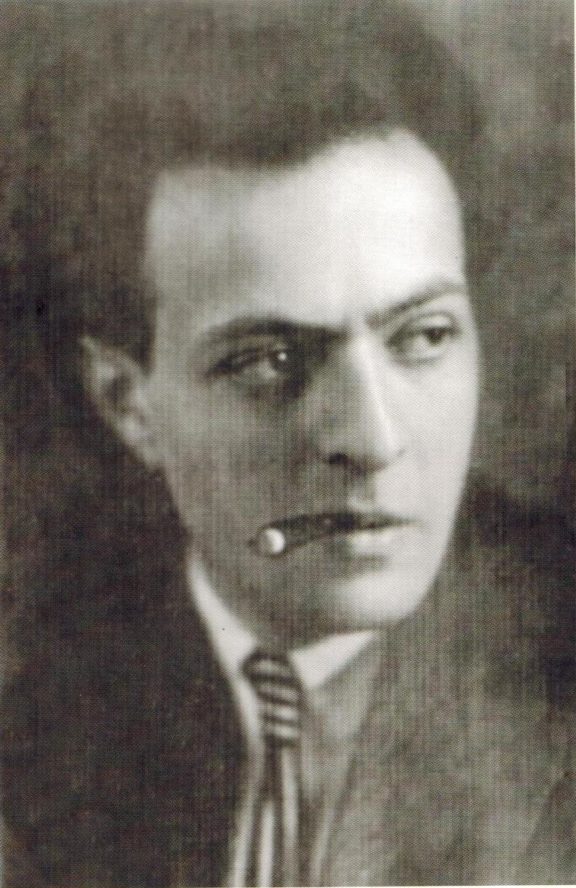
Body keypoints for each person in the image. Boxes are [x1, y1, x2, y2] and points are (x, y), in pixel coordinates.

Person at [0, 1, 574, 885]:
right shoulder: (47, 686)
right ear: (128, 404)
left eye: (424, 336)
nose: (373, 440)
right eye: (269, 361)